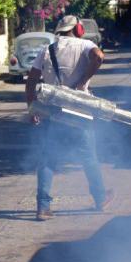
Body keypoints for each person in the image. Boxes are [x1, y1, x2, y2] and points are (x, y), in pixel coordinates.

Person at [25, 15, 114, 221]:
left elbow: (30, 83)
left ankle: (43, 207)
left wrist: (32, 108)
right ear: (78, 29)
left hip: (52, 112)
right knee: (88, 157)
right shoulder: (85, 45)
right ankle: (100, 198)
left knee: (48, 159)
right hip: (79, 112)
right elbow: (99, 57)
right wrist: (82, 81)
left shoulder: (47, 50)